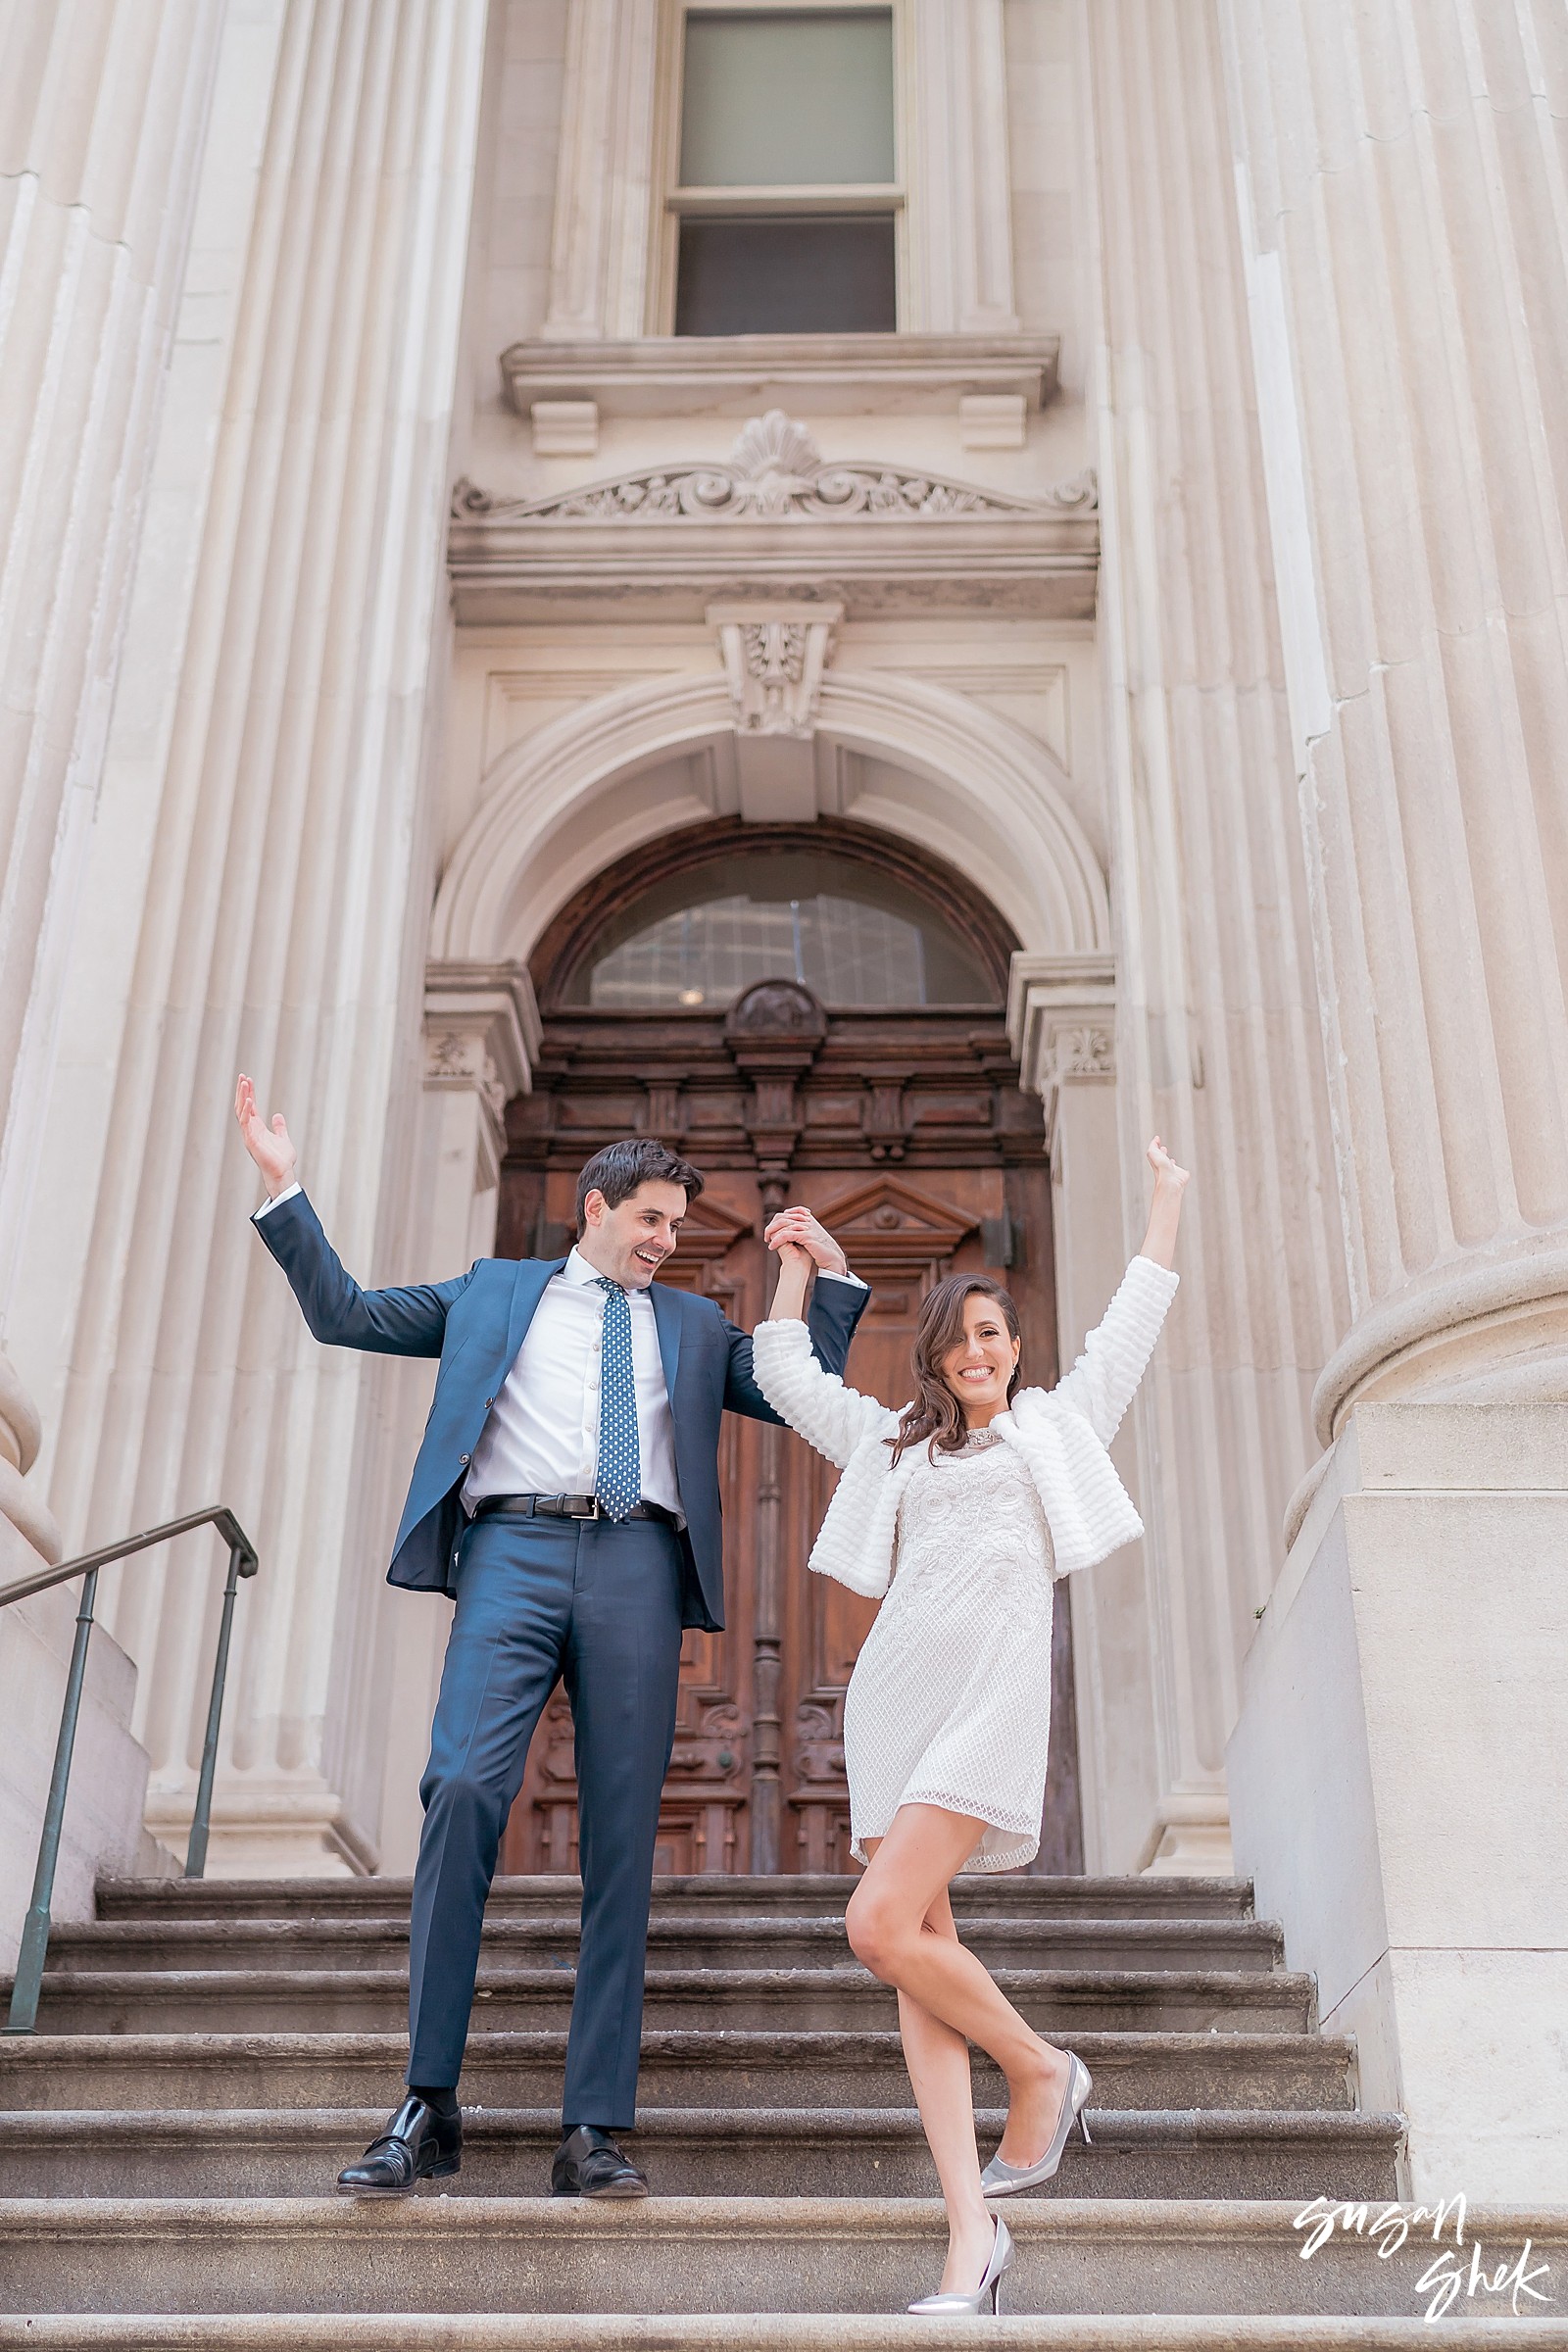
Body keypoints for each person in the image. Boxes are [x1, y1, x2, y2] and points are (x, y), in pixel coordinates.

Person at [234, 1076, 868, 2198]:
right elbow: (346, 1313)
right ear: (595, 1208)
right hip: (511, 1558)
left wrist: (821, 1278)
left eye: (676, 1225)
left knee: (621, 1839)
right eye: (651, 1222)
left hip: (635, 1563)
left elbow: (792, 1388)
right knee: (463, 1789)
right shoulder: (494, 1292)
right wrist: (286, 1190)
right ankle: (427, 2104)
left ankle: (592, 2129)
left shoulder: (689, 1323)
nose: (667, 1242)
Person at [754, 1139, 1188, 2317]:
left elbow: (1126, 1336)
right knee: (912, 1970)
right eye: (961, 1340)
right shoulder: (895, 1443)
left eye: (994, 1334)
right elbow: (787, 1377)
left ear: (1011, 1346)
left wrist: (1164, 1204)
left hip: (991, 1706)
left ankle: (1042, 2067)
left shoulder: (1054, 1427)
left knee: (876, 1923)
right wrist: (799, 1265)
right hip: (895, 1704)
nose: (982, 1352)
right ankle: (969, 2236)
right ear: (936, 1359)